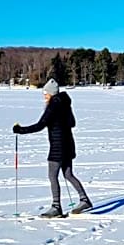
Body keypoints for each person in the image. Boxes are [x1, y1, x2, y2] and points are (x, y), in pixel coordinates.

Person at [13, 78, 92, 218]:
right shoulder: (65, 104)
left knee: (52, 176)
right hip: (68, 145)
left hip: (58, 147)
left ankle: (56, 207)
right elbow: (72, 123)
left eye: (46, 94)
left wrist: (20, 130)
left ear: (51, 93)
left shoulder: (53, 105)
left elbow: (40, 125)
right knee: (68, 174)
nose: (44, 96)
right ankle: (84, 199)